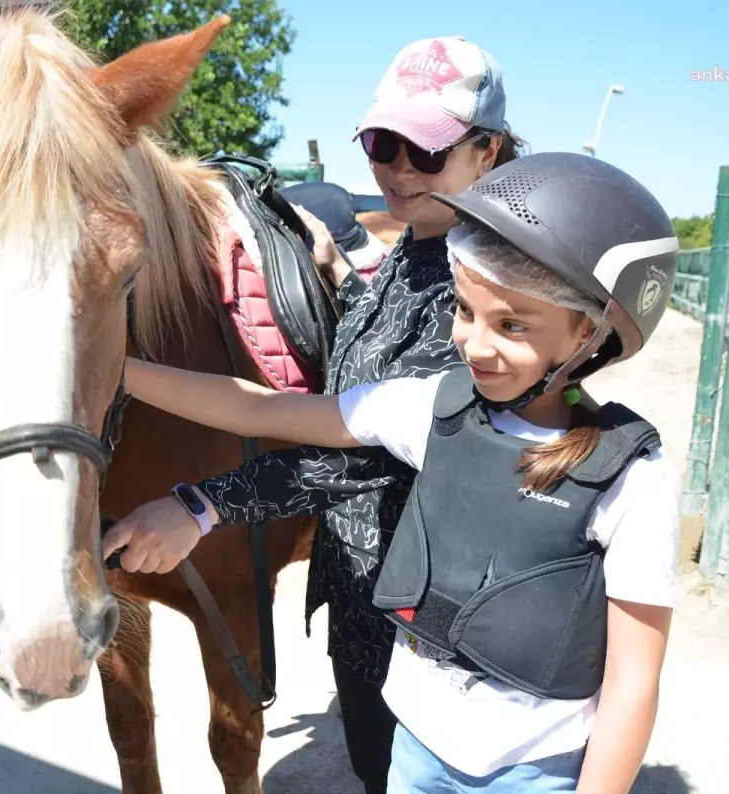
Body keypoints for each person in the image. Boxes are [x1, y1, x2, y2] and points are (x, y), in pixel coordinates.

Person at [104, 151, 682, 793]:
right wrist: (108, 367)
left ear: (590, 334)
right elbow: (252, 406)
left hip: (534, 771)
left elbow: (633, 683)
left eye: (512, 325)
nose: (475, 345)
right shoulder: (430, 406)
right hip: (417, 749)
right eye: (465, 311)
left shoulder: (632, 478)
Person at [106, 35, 524, 794]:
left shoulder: (486, 288)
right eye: (381, 142)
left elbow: (366, 449)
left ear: (487, 152)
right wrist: (344, 280)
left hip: (428, 614)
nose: (396, 168)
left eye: (425, 151)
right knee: (375, 765)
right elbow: (356, 391)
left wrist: (202, 505)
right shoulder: (413, 252)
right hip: (365, 601)